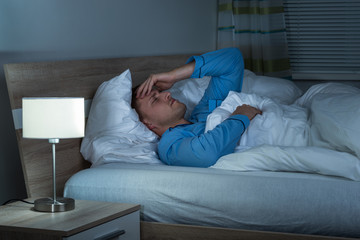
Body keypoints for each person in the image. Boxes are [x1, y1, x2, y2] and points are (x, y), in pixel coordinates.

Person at [132, 48, 262, 167]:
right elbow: (207, 154)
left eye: (160, 92)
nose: (167, 94)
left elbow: (233, 60)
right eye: (155, 99)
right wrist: (241, 116)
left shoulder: (203, 112)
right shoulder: (170, 145)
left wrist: (173, 76)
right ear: (148, 123)